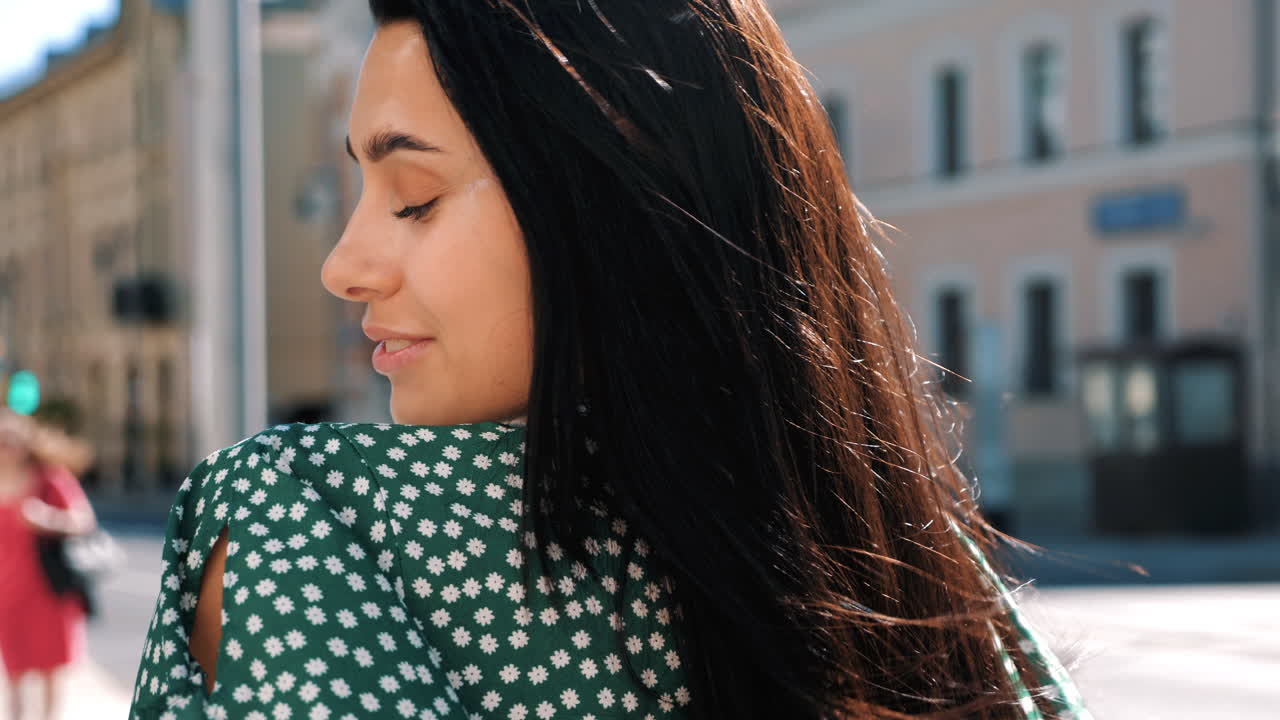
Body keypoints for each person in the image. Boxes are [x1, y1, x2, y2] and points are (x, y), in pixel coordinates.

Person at [130, 1, 1093, 718]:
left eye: (413, 196)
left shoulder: (302, 516)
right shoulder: (920, 564)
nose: (344, 266)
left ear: (622, 201)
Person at [0, 411, 96, 720]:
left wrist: (48, 519)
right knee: (14, 671)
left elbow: (84, 520)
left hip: (48, 590)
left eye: (13, 441)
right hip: (7, 595)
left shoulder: (50, 478)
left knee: (50, 667)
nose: (8, 449)